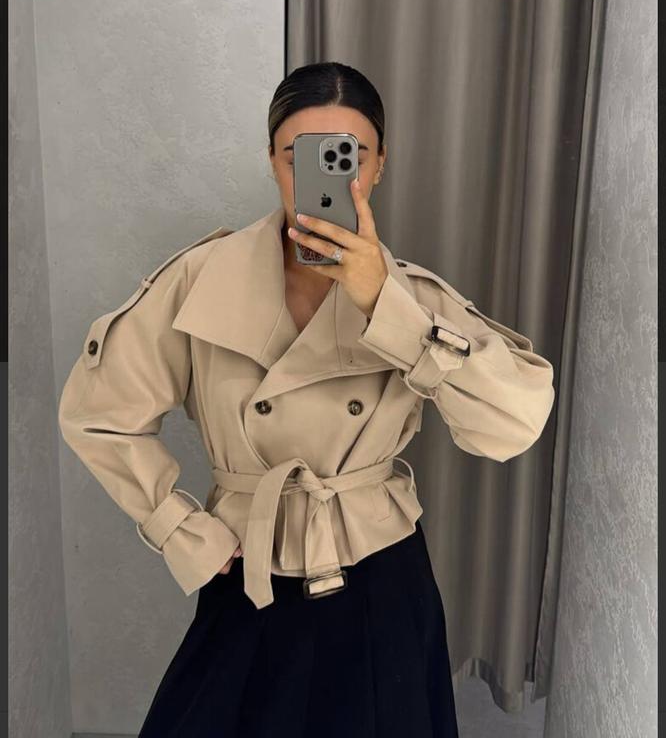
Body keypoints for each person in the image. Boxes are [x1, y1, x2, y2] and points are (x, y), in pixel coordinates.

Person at [58, 61, 556, 738]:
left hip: (382, 575)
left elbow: (515, 423)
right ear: (272, 160)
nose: (329, 178)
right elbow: (98, 412)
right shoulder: (201, 281)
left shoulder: (415, 300)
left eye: (349, 156)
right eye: (302, 157)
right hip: (250, 566)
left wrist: (386, 307)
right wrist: (180, 529)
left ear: (378, 166)